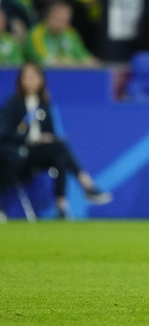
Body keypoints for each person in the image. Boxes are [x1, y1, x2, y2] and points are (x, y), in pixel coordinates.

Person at [0, 63, 112, 219]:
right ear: (20, 81)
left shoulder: (44, 105)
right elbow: (4, 133)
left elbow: (50, 132)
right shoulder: (12, 103)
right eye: (26, 77)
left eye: (34, 77)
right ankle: (85, 185)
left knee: (59, 149)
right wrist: (31, 137)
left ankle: (61, 207)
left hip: (38, 154)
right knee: (60, 149)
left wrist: (46, 139)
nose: (30, 80)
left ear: (41, 80)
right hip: (18, 154)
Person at [23, 1, 96, 66]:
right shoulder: (36, 34)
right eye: (59, 17)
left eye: (66, 18)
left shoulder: (70, 33)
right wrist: (75, 63)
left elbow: (87, 59)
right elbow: (49, 63)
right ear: (49, 16)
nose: (62, 21)